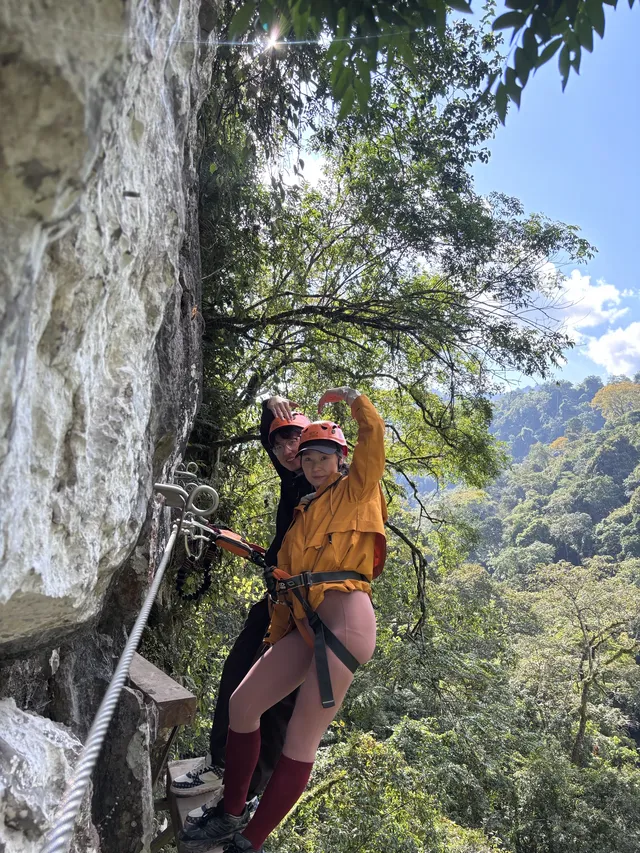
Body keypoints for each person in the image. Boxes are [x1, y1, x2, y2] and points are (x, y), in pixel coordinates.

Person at [180, 386, 387, 853]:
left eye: (323, 456)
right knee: (244, 703)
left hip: (346, 627)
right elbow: (286, 575)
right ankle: (230, 814)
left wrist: (353, 400)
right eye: (307, 457)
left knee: (299, 739)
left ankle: (248, 841)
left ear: (342, 458)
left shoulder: (358, 489)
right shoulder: (301, 510)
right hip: (304, 623)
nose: (313, 465)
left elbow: (373, 440)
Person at [170, 396, 315, 823]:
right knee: (235, 682)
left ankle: (247, 793)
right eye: (281, 445)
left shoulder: (321, 483)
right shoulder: (293, 477)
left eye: (296, 441)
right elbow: (272, 438)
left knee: (273, 707)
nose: (288, 451)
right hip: (275, 603)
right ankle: (219, 766)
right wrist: (272, 410)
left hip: (306, 614)